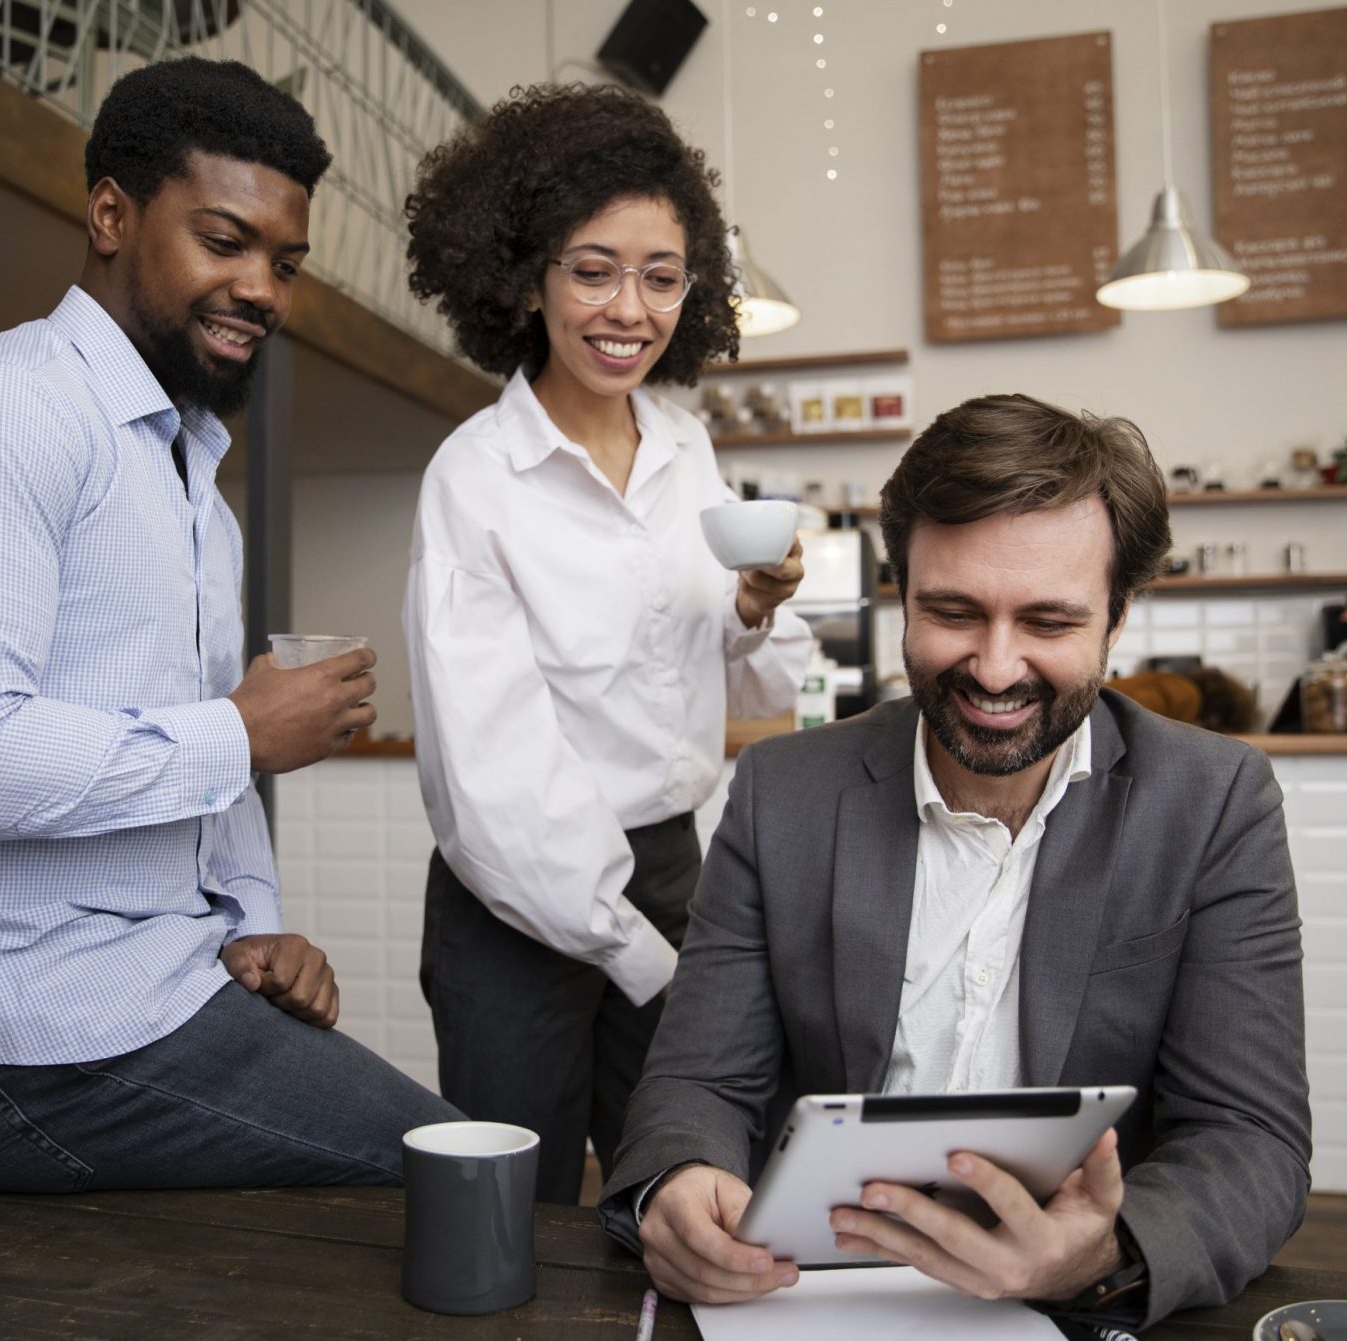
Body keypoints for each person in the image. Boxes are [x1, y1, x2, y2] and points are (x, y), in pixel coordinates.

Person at [0, 58, 458, 1193]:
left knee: (448, 1172)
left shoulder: (189, 485)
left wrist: (250, 927)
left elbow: (182, 763)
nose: (264, 288)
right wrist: (241, 734)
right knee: (456, 1179)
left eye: (286, 263)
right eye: (225, 241)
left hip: (146, 992)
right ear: (110, 213)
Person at [601, 394, 1311, 1330]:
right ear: (901, 591)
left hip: (1074, 1304)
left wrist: (1101, 1252)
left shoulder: (1215, 802)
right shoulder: (783, 792)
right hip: (806, 1291)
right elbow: (698, 1079)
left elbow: (1250, 1136)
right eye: (953, 610)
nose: (996, 666)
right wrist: (680, 1183)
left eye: (1050, 622)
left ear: (1119, 614)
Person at [401, 83, 814, 1205]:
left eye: (662, 275)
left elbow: (732, 667)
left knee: (681, 1187)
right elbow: (495, 780)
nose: (629, 308)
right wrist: (645, 959)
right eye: (593, 268)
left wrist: (757, 608)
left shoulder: (687, 451)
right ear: (525, 274)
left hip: (673, 866)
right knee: (510, 1219)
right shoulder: (476, 479)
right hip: (516, 901)